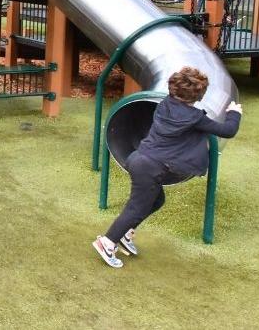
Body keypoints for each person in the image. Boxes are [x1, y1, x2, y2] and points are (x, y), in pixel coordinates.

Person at [93, 67, 242, 268]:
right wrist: (234, 113)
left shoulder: (164, 104)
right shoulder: (195, 117)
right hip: (151, 167)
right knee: (136, 208)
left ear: (172, 88)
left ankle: (125, 233)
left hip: (139, 158)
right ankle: (107, 242)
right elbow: (227, 130)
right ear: (198, 96)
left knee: (157, 200)